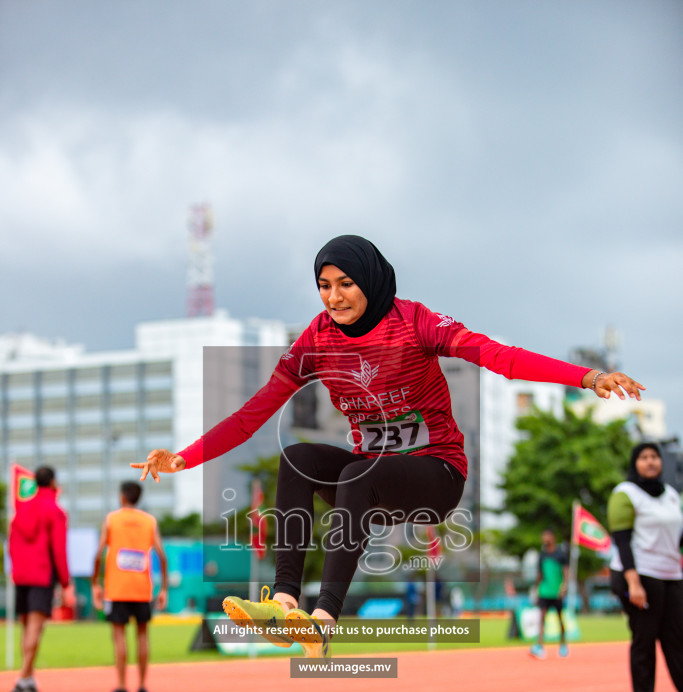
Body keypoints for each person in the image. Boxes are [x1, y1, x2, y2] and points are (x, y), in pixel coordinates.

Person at [132, 234, 645, 658]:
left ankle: (323, 619)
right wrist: (184, 456)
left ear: (371, 282)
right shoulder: (316, 340)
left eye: (346, 285)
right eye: (323, 287)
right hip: (371, 481)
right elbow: (253, 415)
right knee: (301, 458)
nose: (333, 298)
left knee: (360, 471)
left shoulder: (415, 322)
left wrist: (587, 376)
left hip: (435, 477)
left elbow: (499, 357)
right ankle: (286, 603)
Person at [608, 442, 683, 692]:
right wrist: (633, 582)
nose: (650, 462)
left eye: (655, 457)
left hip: (671, 574)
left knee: (678, 638)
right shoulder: (625, 493)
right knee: (645, 638)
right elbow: (622, 540)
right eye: (644, 457)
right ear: (634, 463)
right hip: (639, 575)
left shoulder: (672, 496)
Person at [91, 481, 168, 692]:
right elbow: (162, 556)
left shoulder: (112, 519)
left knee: (119, 637)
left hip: (117, 587)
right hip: (142, 587)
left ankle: (122, 689)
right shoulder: (149, 521)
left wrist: (95, 583)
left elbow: (98, 553)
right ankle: (143, 689)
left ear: (122, 497)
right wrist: (163, 588)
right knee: (143, 636)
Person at [8, 466, 75, 692]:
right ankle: (22, 678)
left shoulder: (21, 508)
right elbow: (59, 549)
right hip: (41, 574)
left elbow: (12, 543)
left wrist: (15, 569)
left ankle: (28, 682)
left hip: (21, 575)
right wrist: (66, 582)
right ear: (53, 482)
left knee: (26, 628)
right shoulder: (55, 511)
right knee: (36, 629)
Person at [530, 529, 570, 659]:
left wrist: (564, 586)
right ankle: (539, 646)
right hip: (544, 591)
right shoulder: (542, 555)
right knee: (542, 618)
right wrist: (535, 589)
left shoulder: (561, 555)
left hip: (557, 592)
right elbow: (539, 574)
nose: (545, 538)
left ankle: (563, 645)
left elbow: (566, 572)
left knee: (560, 618)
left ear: (553, 538)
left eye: (547, 536)